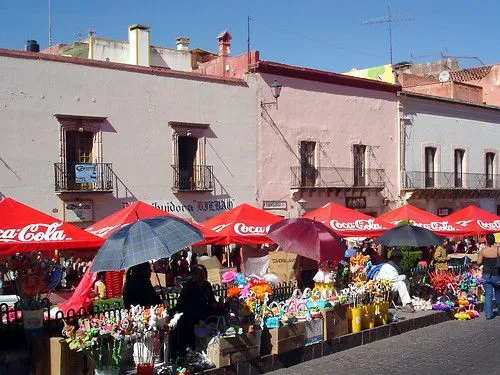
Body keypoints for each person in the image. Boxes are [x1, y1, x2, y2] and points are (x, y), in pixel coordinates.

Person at [172, 264, 223, 358]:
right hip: (189, 315)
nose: (199, 276)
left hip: (203, 313)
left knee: (220, 314)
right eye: (197, 274)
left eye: (202, 274)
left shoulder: (206, 285)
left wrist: (218, 304)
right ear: (193, 275)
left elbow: (211, 301)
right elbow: (185, 306)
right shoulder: (189, 287)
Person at [375, 248, 415, 313]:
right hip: (382, 286)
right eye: (399, 258)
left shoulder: (394, 265)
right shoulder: (389, 266)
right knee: (401, 284)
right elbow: (394, 279)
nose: (400, 260)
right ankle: (406, 303)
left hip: (388, 284)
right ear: (395, 258)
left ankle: (404, 301)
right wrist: (405, 276)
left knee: (404, 282)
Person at [477, 233, 500, 319]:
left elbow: (479, 262)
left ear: (486, 240)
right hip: (497, 274)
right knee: (498, 294)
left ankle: (488, 314)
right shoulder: (498, 249)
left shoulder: (483, 250)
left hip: (486, 275)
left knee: (488, 295)